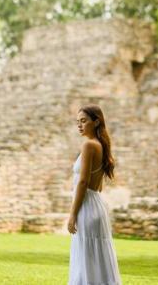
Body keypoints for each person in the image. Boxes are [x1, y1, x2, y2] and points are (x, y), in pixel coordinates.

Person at [68, 104, 122, 285]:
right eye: (78, 122)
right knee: (95, 257)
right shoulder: (100, 145)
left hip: (87, 206)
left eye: (84, 121)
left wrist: (72, 214)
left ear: (96, 122)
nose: (79, 125)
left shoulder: (89, 145)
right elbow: (96, 186)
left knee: (86, 258)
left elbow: (83, 182)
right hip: (96, 205)